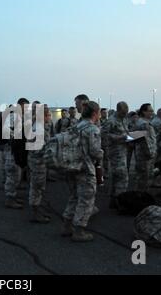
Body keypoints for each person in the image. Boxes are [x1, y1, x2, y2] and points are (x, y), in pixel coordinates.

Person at [62, 101, 103, 242]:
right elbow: (95, 152)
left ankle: (67, 226)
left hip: (71, 167)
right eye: (98, 113)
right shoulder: (92, 129)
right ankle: (79, 231)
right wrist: (101, 154)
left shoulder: (75, 126)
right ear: (94, 113)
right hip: (85, 169)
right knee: (86, 200)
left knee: (74, 197)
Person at [26, 103, 52, 223]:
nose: (50, 117)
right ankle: (35, 213)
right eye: (48, 115)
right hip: (38, 162)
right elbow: (38, 148)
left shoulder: (37, 126)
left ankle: (37, 209)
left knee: (37, 187)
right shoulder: (39, 129)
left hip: (35, 161)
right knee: (37, 188)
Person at [102, 102, 130, 208]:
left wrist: (130, 137)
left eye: (126, 113)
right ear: (118, 110)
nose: (125, 115)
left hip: (123, 150)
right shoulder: (111, 121)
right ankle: (121, 201)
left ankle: (114, 201)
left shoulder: (124, 119)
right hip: (115, 152)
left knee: (115, 177)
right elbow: (104, 134)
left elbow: (125, 132)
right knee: (123, 177)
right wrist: (118, 138)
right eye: (123, 113)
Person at [3, 98, 29, 209]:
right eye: (26, 106)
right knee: (13, 176)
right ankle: (10, 199)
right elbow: (10, 133)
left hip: (17, 151)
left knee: (17, 175)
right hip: (12, 151)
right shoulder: (14, 117)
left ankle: (12, 196)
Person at [133, 103, 157, 192]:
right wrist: (150, 154)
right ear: (144, 112)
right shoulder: (143, 124)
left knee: (143, 178)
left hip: (144, 155)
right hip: (145, 156)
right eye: (150, 111)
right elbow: (145, 142)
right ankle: (141, 198)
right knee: (144, 179)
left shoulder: (143, 122)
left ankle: (141, 196)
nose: (152, 112)